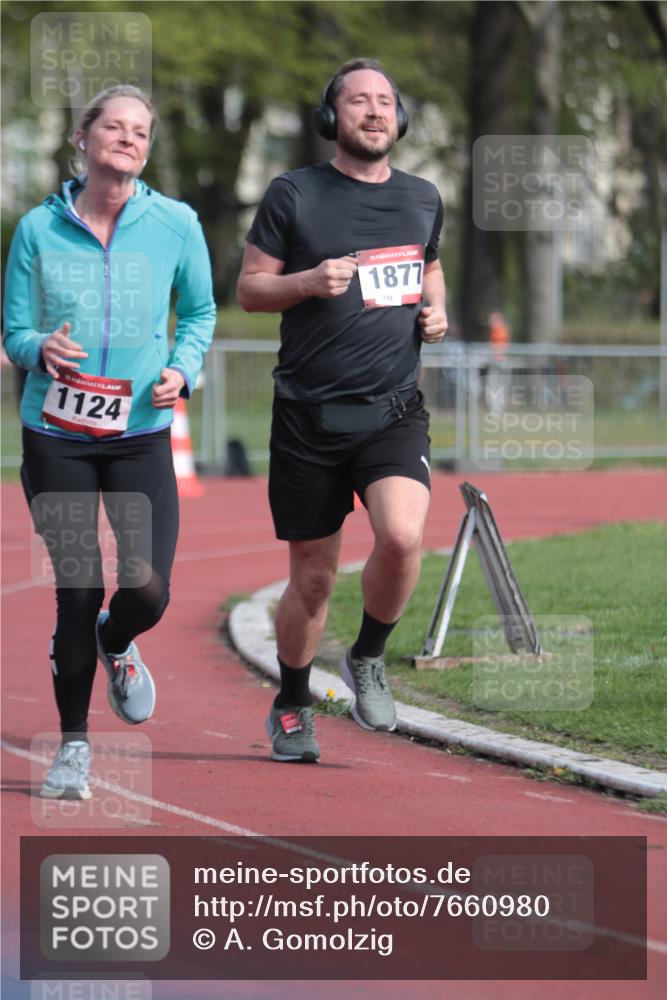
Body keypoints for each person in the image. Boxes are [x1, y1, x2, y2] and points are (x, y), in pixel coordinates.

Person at [3, 85, 216, 798]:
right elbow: (13, 332)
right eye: (115, 127)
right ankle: (73, 749)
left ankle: (117, 638)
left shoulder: (175, 224)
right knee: (77, 586)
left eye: (141, 132)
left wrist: (183, 368)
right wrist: (40, 350)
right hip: (55, 432)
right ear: (83, 140)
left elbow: (202, 311)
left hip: (140, 435)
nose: (128, 139)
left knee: (147, 590)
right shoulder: (38, 229)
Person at [237, 58, 447, 763]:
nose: (374, 110)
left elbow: (428, 264)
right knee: (315, 577)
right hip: (307, 415)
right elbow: (249, 288)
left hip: (391, 408)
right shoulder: (292, 193)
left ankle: (367, 656)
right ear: (332, 118)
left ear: (400, 118)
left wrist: (436, 306)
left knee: (401, 537)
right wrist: (305, 281)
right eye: (357, 100)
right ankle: (293, 701)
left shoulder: (422, 197)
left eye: (385, 101)